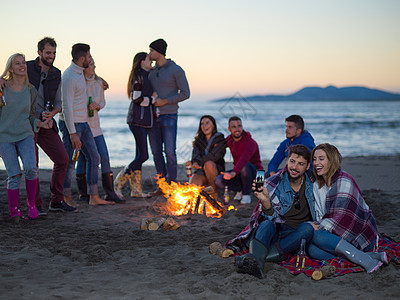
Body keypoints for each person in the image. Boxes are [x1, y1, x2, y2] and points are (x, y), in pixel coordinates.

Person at [227, 145, 316, 278]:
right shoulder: (273, 183)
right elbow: (269, 219)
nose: (294, 167)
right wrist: (267, 202)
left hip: (295, 236)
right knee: (266, 224)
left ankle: (255, 259)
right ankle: (258, 264)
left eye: (300, 164)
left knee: (308, 228)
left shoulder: (314, 184)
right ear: (287, 161)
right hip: (275, 232)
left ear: (307, 166)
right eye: (292, 161)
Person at [308, 143, 386, 273]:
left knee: (316, 234)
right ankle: (367, 257)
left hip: (360, 236)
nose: (316, 163)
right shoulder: (317, 184)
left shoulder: (344, 180)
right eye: (314, 159)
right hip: (336, 235)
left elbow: (341, 215)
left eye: (321, 159)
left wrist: (317, 227)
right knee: (312, 250)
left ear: (331, 160)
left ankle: (365, 261)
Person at [59, 43, 112, 206]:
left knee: (94, 157)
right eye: (89, 57)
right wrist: (72, 132)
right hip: (71, 124)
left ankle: (93, 196)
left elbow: (91, 77)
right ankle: (66, 197)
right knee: (69, 162)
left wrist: (101, 79)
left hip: (84, 123)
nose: (90, 60)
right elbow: (66, 106)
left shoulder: (81, 73)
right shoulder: (69, 77)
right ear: (82, 58)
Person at [0, 53, 51, 222]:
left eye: (23, 63)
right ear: (11, 68)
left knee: (31, 168)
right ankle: (14, 211)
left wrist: (40, 123)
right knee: (14, 175)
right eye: (17, 63)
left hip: (25, 134)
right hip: (5, 137)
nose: (22, 66)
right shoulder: (3, 88)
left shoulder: (31, 90)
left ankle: (31, 204)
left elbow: (30, 116)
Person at [75, 59, 124, 203]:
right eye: (91, 65)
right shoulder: (78, 83)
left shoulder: (99, 83)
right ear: (83, 68)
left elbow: (102, 102)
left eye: (94, 64)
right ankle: (84, 194)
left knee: (104, 157)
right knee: (83, 160)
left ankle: (110, 192)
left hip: (96, 127)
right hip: (83, 127)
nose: (94, 66)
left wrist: (98, 105)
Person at [148, 38, 190, 183]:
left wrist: (164, 101)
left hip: (170, 115)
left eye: (152, 50)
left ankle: (172, 183)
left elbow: (186, 93)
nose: (149, 53)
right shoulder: (151, 72)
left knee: (170, 152)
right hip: (153, 116)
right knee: (156, 152)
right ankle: (162, 185)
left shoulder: (176, 70)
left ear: (159, 52)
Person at [114, 52, 155, 198]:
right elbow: (136, 98)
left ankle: (136, 191)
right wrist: (152, 100)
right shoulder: (139, 76)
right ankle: (118, 183)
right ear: (142, 61)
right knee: (143, 155)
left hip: (141, 121)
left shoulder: (144, 74)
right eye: (149, 59)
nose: (151, 61)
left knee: (139, 155)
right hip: (137, 120)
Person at [214, 116, 263, 204]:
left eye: (239, 126)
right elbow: (220, 147)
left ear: (242, 127)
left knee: (244, 166)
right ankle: (241, 189)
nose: (237, 129)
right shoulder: (230, 140)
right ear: (229, 129)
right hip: (240, 173)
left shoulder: (250, 142)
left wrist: (233, 173)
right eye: (234, 127)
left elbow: (243, 160)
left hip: (258, 176)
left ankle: (246, 194)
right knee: (219, 180)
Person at [185, 115, 226, 201]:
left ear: (213, 125)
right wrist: (194, 163)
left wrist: (199, 163)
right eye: (202, 124)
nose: (204, 126)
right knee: (193, 186)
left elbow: (214, 156)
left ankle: (213, 192)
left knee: (209, 164)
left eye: (207, 123)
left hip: (215, 170)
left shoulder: (220, 138)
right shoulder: (198, 140)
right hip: (201, 171)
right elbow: (195, 156)